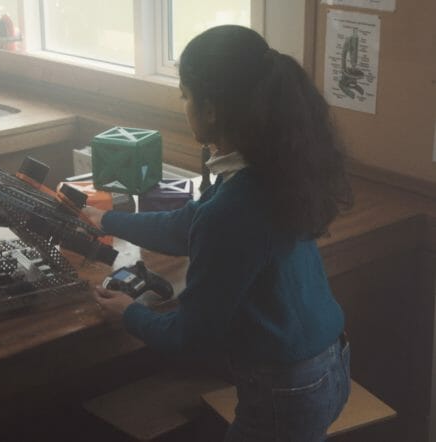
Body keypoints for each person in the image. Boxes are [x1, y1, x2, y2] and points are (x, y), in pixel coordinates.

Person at [84, 25, 354, 442]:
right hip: (331, 364)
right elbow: (189, 223)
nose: (184, 107)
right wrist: (104, 220)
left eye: (186, 96)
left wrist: (129, 313)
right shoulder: (269, 170)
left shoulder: (235, 206)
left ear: (210, 109)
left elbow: (192, 337)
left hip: (286, 389)